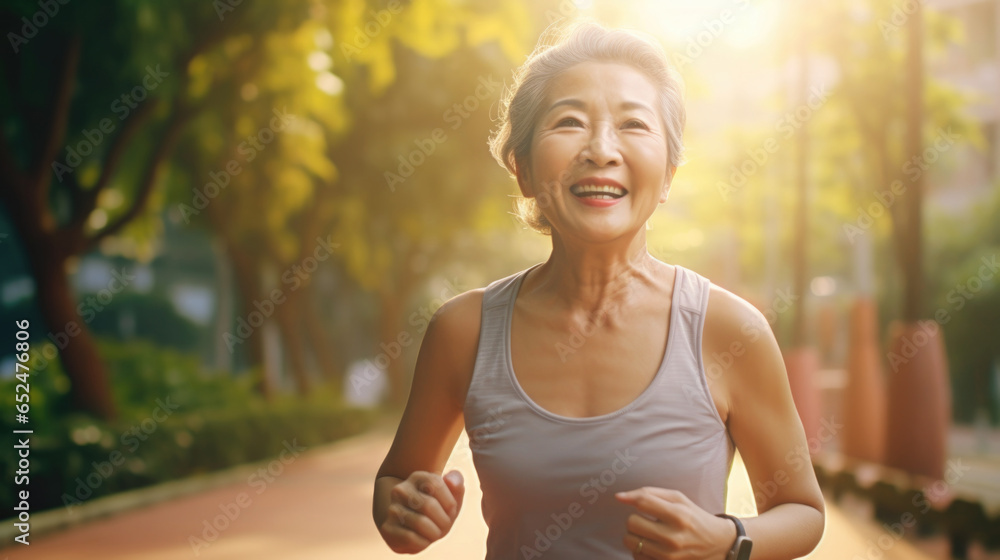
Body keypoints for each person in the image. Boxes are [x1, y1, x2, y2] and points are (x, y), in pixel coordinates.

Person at [373, 22, 825, 559]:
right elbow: (396, 483)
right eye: (569, 122)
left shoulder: (729, 330)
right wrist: (404, 511)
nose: (601, 149)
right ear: (521, 168)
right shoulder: (464, 331)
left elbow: (804, 512)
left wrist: (727, 540)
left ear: (669, 174)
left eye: (633, 123)